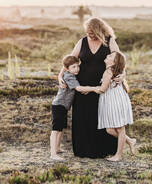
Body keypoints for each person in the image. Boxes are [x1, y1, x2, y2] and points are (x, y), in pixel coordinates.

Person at [58, 18, 125, 158]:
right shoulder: (82, 42)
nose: (90, 35)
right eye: (88, 33)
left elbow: (119, 60)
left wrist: (123, 74)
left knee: (100, 116)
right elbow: (69, 60)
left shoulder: (109, 40)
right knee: (83, 116)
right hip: (83, 86)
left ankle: (103, 150)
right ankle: (83, 150)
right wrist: (60, 75)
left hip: (103, 86)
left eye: (92, 33)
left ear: (99, 30)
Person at [50, 55, 99, 161]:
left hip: (63, 106)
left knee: (61, 129)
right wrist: (94, 88)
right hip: (59, 105)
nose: (77, 69)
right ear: (67, 69)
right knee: (56, 130)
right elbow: (78, 88)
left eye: (77, 66)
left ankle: (57, 148)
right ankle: (53, 154)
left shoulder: (71, 75)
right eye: (73, 67)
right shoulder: (69, 76)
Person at [94, 51, 136, 161]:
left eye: (110, 56)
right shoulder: (114, 70)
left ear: (114, 62)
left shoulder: (109, 71)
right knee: (109, 129)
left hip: (115, 101)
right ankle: (130, 141)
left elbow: (102, 89)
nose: (107, 55)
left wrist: (86, 89)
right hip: (111, 100)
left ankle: (118, 155)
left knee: (120, 128)